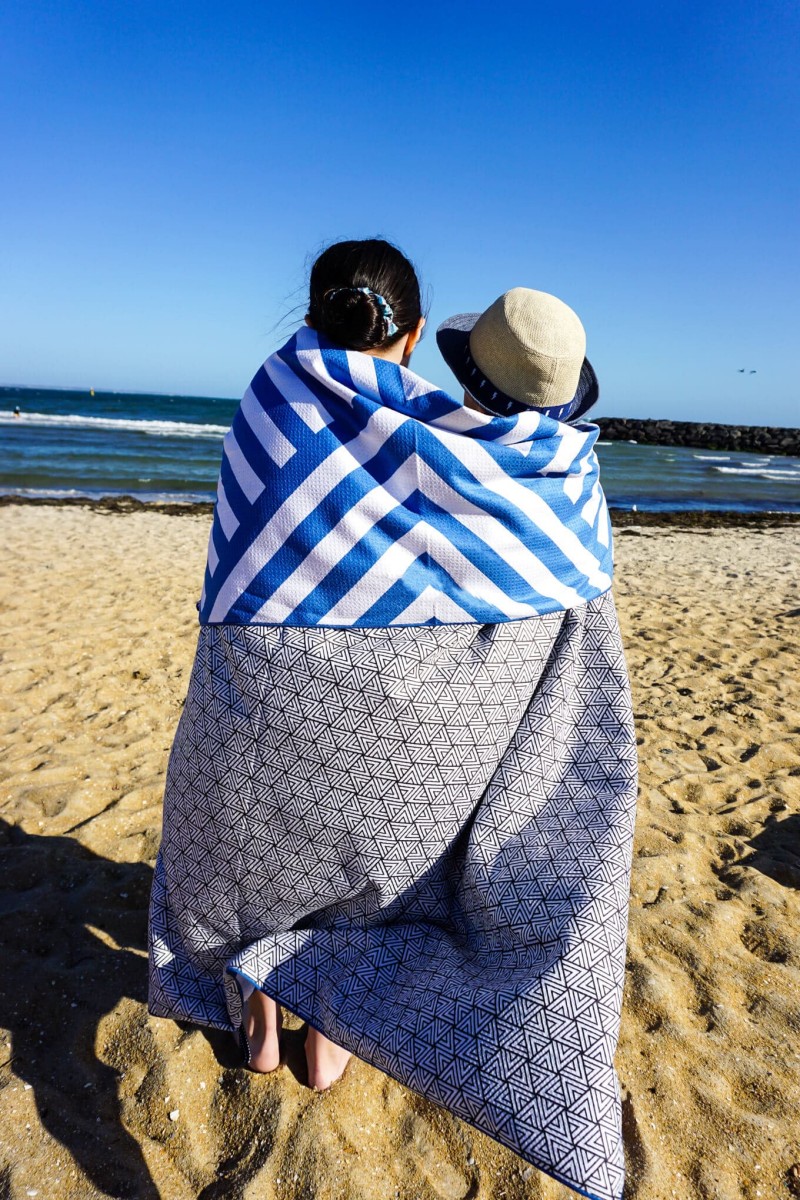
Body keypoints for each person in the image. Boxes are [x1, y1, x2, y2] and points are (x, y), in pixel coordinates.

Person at [148, 239, 637, 1200]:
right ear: (414, 340)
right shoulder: (560, 479)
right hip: (405, 785)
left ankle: (252, 1020)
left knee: (267, 821)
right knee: (390, 833)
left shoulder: (274, 398)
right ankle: (328, 1028)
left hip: (256, 749)